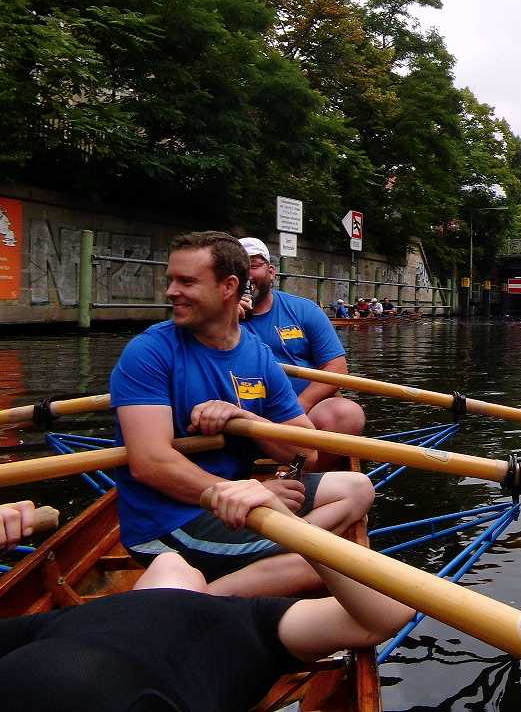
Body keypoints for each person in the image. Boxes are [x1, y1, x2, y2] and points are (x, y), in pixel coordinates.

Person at [111, 231, 374, 597]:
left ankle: (263, 565)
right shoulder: (148, 352)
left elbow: (306, 452)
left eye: (186, 281)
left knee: (358, 488)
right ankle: (209, 595)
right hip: (170, 522)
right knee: (330, 563)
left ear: (228, 286)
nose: (171, 291)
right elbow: (151, 464)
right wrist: (250, 494)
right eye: (171, 280)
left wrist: (246, 421)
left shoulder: (257, 353)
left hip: (238, 498)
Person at [0, 487, 414, 712]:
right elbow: (386, 614)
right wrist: (287, 525)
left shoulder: (249, 622)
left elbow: (386, 614)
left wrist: (288, 522)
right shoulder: (245, 623)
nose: (173, 562)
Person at [237, 237, 366, 446]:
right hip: (241, 416)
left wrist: (295, 411)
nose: (246, 276)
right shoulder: (215, 318)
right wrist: (226, 319)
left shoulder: (304, 310)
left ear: (271, 272)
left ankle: (305, 466)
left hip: (303, 415)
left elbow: (337, 368)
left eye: (253, 266)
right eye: (238, 268)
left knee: (347, 413)